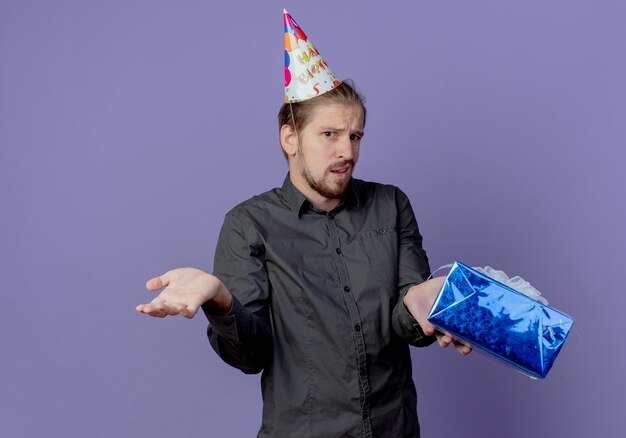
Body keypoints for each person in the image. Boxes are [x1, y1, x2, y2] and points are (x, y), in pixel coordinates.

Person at [136, 11, 471, 438]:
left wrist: (424, 302)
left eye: (355, 136)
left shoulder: (391, 205)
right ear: (290, 138)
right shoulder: (248, 225)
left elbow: (408, 323)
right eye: (329, 134)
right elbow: (250, 356)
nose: (347, 151)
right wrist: (220, 299)